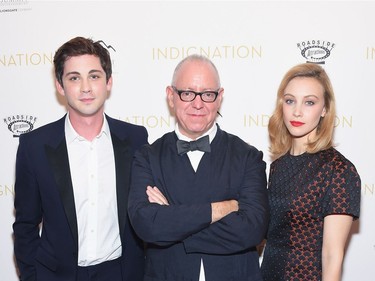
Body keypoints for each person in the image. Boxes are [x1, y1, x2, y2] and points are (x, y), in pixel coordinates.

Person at [13, 37, 148, 281]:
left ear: (109, 82)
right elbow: (25, 227)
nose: (85, 87)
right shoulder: (34, 147)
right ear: (60, 86)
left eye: (94, 76)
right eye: (74, 77)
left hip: (121, 273)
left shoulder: (136, 139)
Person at [128, 54, 269, 281]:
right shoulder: (147, 157)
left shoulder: (248, 157)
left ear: (219, 97)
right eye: (187, 93)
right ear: (171, 96)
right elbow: (147, 226)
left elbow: (252, 230)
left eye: (207, 94)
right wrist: (223, 209)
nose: (197, 103)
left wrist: (171, 220)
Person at [260, 63, 361, 281]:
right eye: (290, 101)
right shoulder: (277, 167)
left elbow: (332, 255)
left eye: (309, 102)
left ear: (324, 109)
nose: (297, 111)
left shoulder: (339, 170)